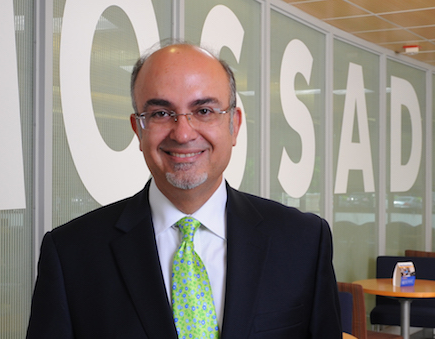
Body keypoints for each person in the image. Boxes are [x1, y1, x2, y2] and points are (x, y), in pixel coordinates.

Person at [26, 42, 341, 338]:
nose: (183, 133)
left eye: (203, 110)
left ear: (234, 124)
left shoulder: (303, 242)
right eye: (161, 113)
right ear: (138, 129)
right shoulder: (71, 254)